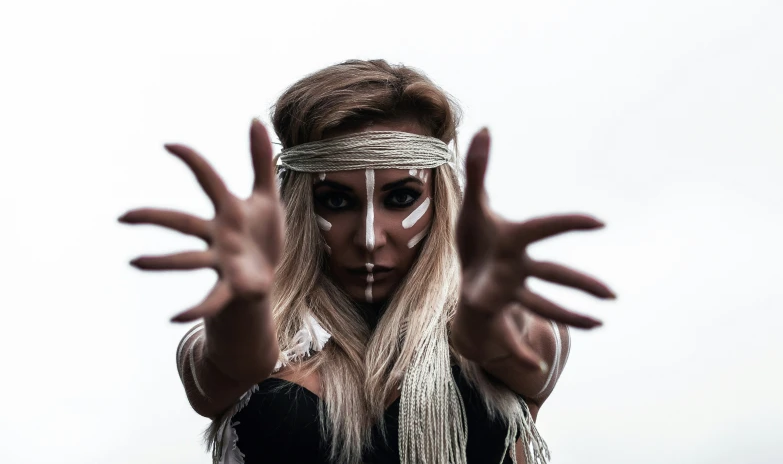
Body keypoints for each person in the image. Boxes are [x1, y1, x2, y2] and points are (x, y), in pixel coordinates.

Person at [120, 59, 614, 464]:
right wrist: (247, 302)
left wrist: (484, 316)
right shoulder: (247, 334)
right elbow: (223, 367)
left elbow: (518, 350)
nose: (372, 237)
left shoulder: (511, 329)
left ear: (442, 202)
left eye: (401, 198)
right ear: (295, 207)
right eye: (336, 201)